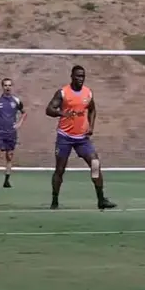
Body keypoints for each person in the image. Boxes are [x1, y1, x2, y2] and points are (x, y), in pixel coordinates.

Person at [45, 65, 116, 210]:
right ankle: (54, 200)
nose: (80, 79)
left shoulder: (88, 93)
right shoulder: (63, 93)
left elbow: (92, 110)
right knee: (60, 169)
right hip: (65, 136)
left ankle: (101, 199)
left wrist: (91, 126)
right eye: (77, 76)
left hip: (82, 138)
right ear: (72, 76)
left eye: (82, 76)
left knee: (95, 164)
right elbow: (49, 109)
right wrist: (62, 114)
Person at [0, 78, 26, 188]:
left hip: (11, 132)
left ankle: (7, 180)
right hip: (0, 132)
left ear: (12, 87)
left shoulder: (16, 100)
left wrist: (19, 123)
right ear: (2, 87)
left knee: (9, 156)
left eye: (9, 85)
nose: (8, 87)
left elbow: (24, 113)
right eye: (5, 85)